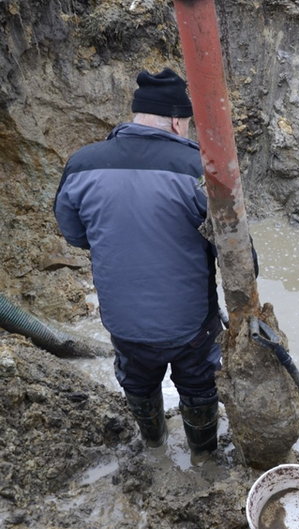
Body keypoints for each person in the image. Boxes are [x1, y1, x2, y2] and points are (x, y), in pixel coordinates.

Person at [54, 68, 222, 454]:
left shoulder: (81, 164)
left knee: (139, 382)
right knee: (198, 384)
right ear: (178, 122)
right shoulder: (200, 167)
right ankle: (204, 455)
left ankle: (154, 445)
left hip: (124, 323)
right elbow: (236, 253)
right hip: (191, 324)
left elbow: (76, 235)